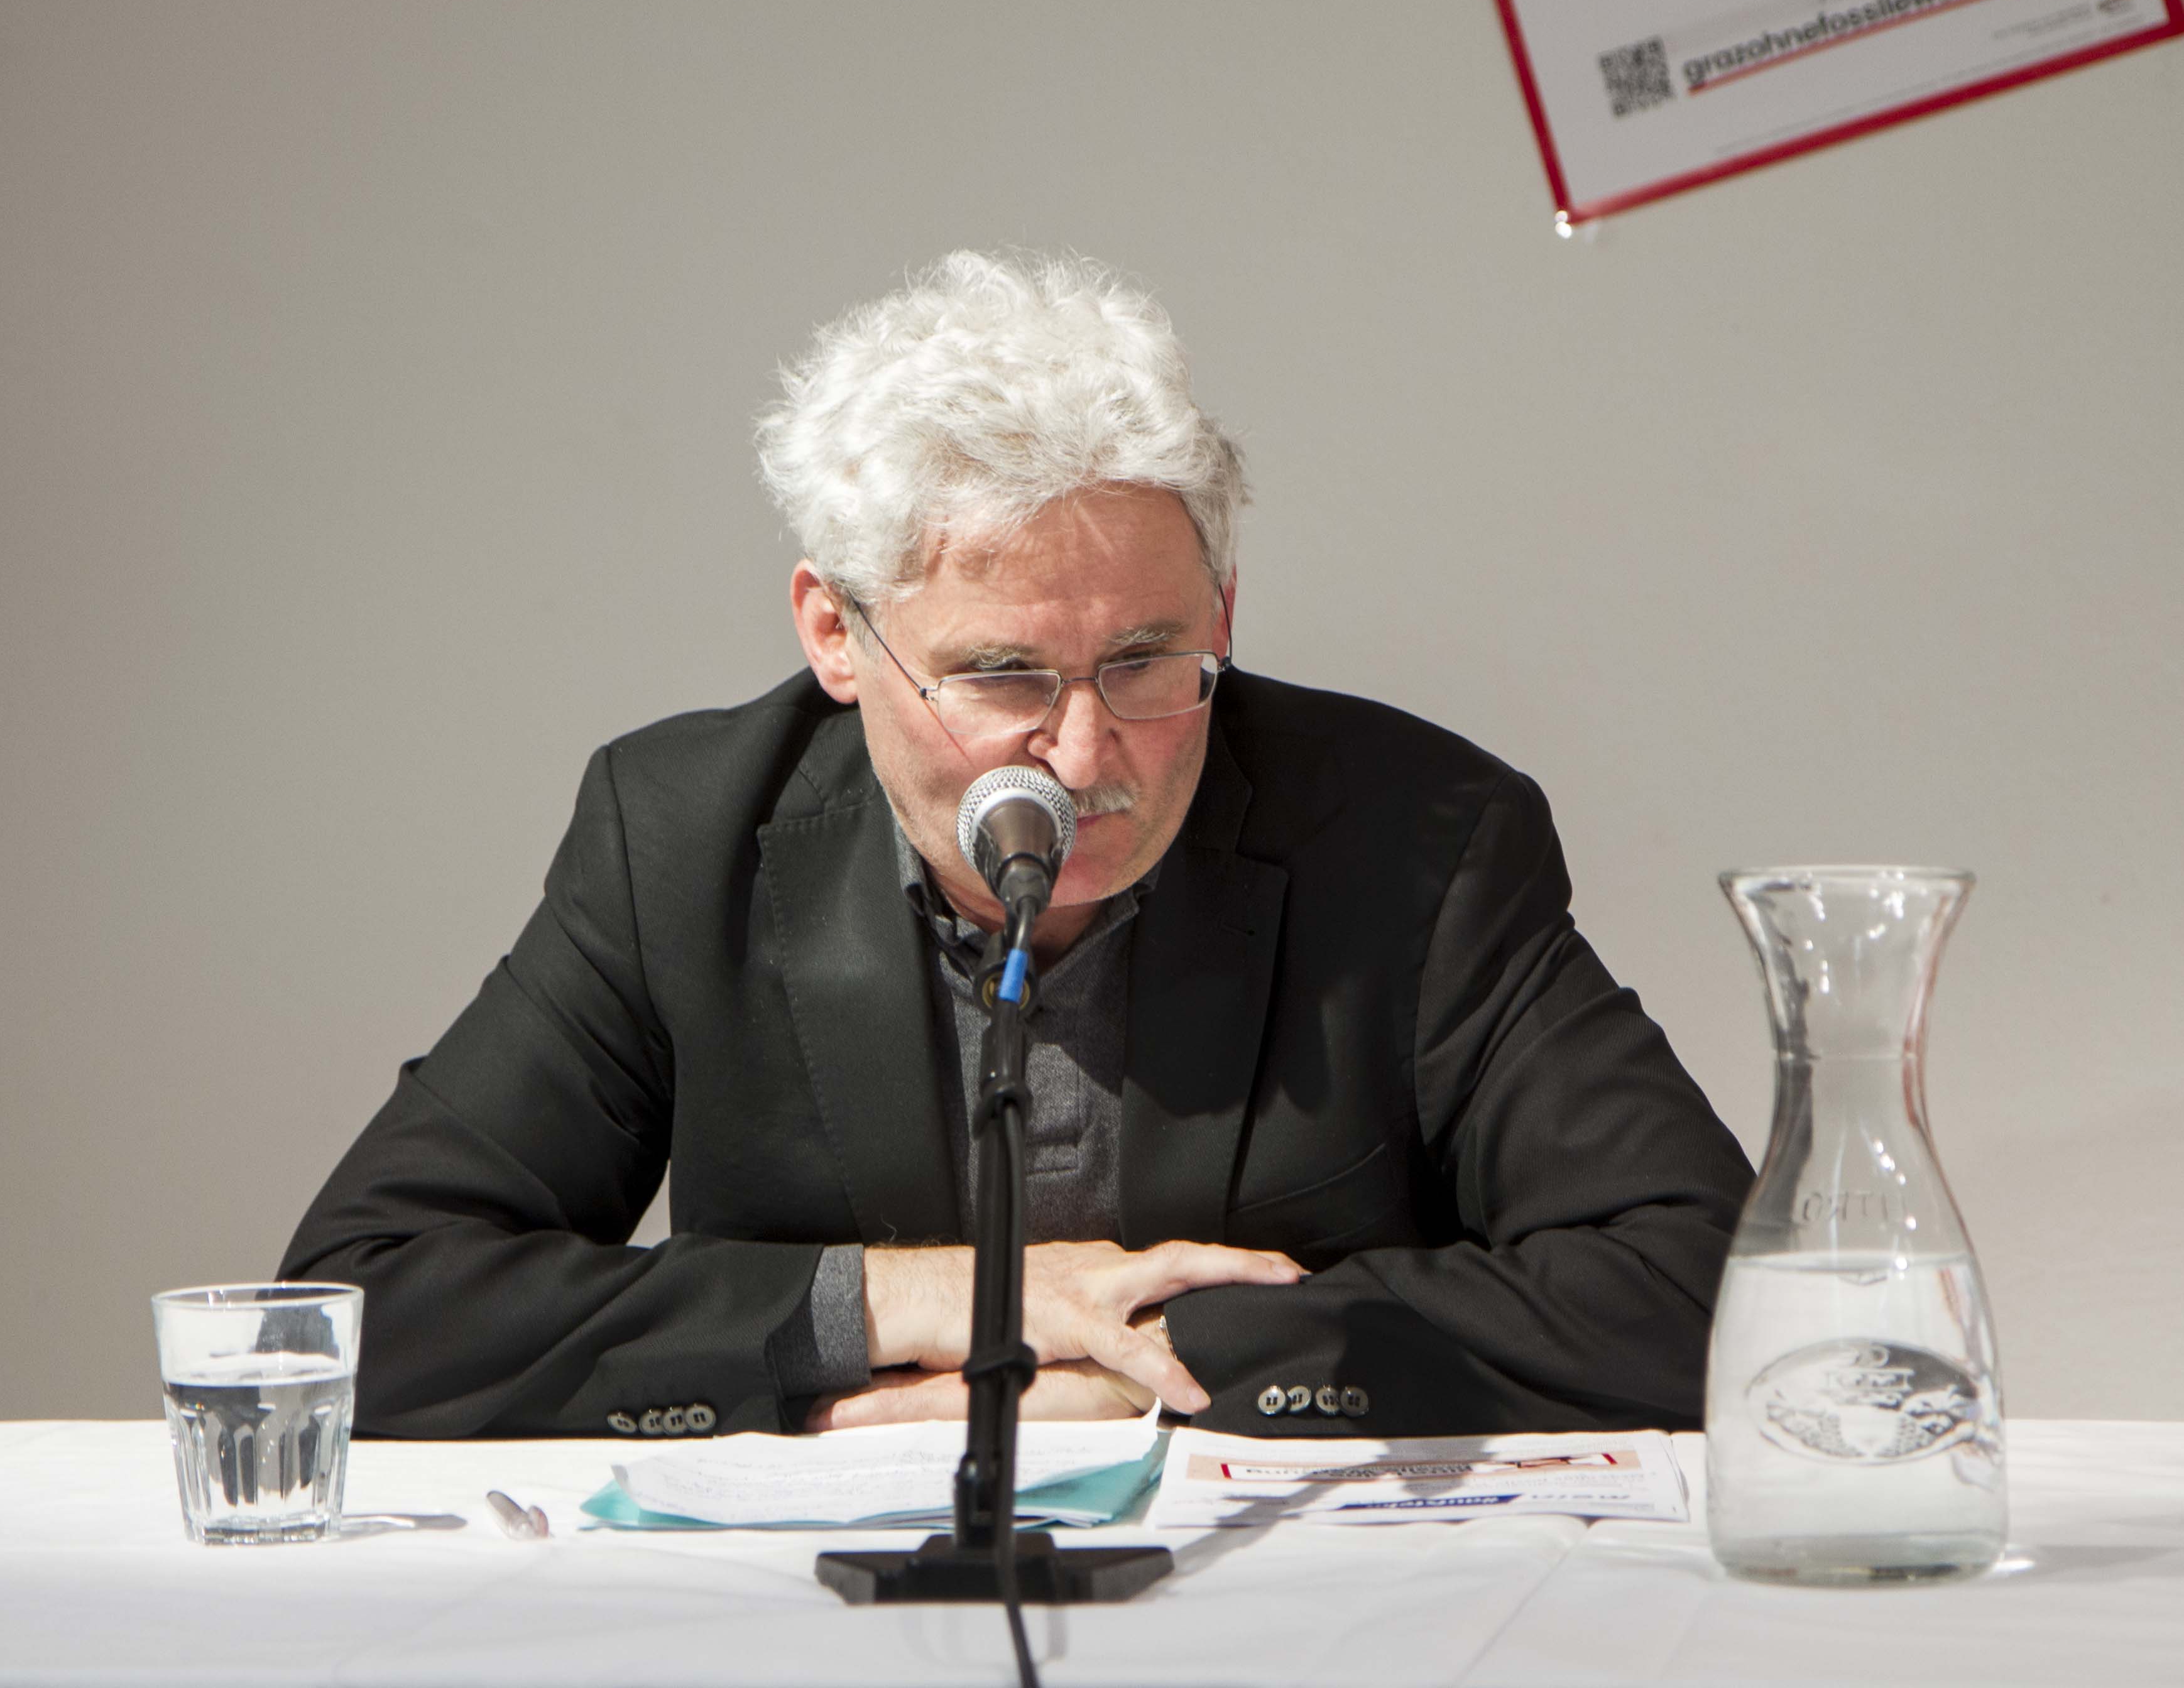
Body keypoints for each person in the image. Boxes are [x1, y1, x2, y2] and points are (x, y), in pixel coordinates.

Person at [281, 251, 1752, 1442]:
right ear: (834, 633)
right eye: (1000, 676)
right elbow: (366, 1305)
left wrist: (1158, 1355)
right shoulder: (679, 835)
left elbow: (1705, 1286)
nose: (1085, 755)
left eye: (1148, 660)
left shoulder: (1419, 838)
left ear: (1224, 611)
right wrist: (931, 1306)